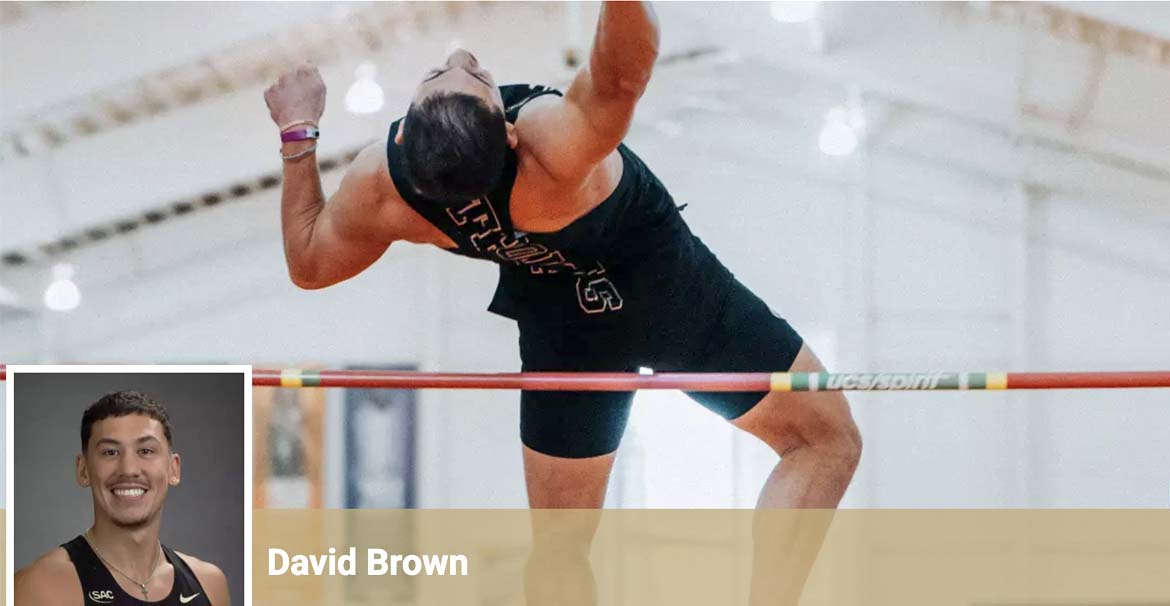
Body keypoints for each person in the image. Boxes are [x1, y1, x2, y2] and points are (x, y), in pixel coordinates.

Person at [265, 0, 860, 515]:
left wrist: (298, 130)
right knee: (826, 442)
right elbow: (620, 77)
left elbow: (310, 263)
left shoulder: (386, 190)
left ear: (399, 134)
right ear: (510, 132)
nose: (460, 53)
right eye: (469, 73)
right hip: (661, 292)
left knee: (560, 551)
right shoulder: (549, 146)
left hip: (576, 320)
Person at [14, 391, 230, 606]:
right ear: (83, 470)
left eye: (145, 451)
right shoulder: (42, 586)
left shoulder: (209, 584)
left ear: (174, 469)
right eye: (110, 452)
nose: (128, 469)